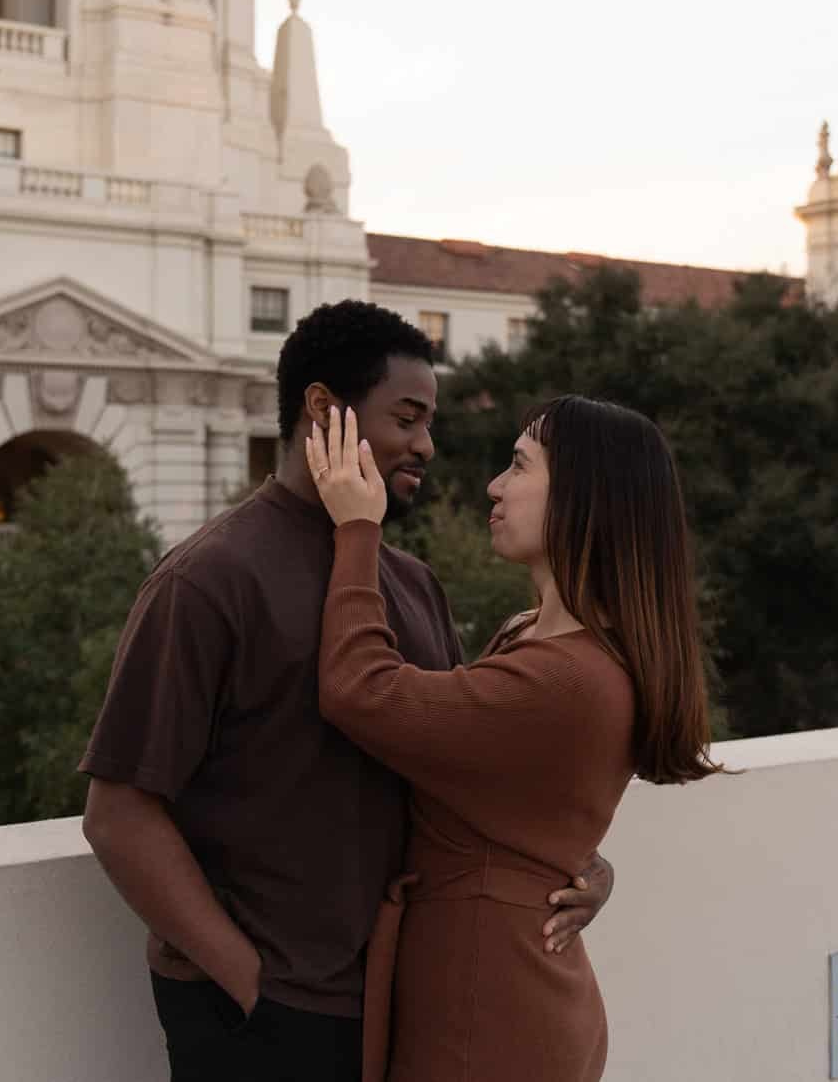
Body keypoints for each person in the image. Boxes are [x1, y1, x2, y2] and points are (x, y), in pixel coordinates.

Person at [80, 301, 615, 1082]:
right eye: (407, 417)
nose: (426, 445)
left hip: (403, 1004)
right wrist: (250, 981)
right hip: (261, 1020)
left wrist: (581, 865)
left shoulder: (411, 584)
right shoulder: (208, 580)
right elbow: (120, 813)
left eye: (430, 420)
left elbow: (462, 770)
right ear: (324, 408)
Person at [306, 395, 722, 1082]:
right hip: (495, 985)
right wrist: (577, 861)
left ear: (581, 501)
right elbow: (518, 796)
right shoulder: (532, 634)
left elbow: (359, 688)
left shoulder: (568, 678)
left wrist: (356, 527)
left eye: (518, 465)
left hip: (488, 1011)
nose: (495, 485)